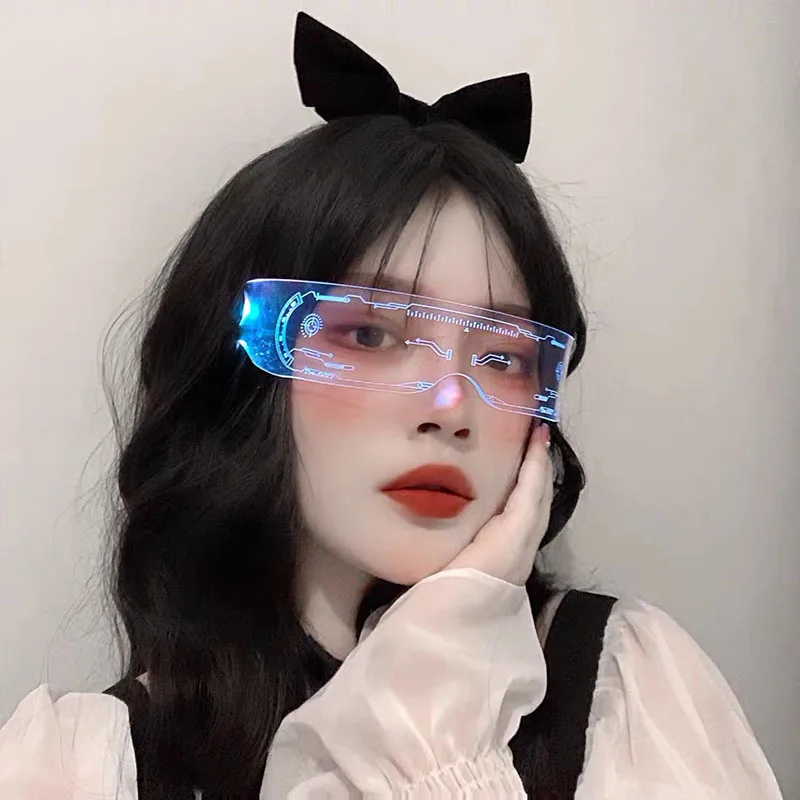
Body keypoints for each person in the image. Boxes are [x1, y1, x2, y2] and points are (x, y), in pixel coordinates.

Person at [0, 12, 783, 800]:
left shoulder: (626, 697)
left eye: (504, 357)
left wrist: (440, 707)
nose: (450, 404)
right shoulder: (79, 767)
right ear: (247, 362)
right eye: (369, 334)